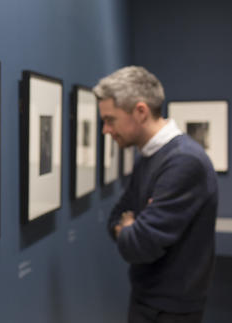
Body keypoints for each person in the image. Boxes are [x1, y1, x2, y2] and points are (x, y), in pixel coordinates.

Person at [93, 66, 218, 323]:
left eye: (110, 119)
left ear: (140, 111)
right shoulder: (148, 157)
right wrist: (129, 226)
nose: (105, 130)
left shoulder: (183, 161)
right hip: (147, 300)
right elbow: (116, 218)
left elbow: (139, 246)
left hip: (171, 310)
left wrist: (131, 228)